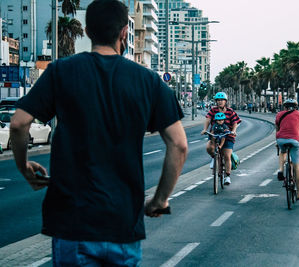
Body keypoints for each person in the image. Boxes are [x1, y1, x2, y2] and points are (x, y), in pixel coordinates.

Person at [9, 0, 188, 266]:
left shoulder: (60, 72)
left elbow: (18, 123)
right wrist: (159, 200)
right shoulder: (148, 81)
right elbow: (179, 145)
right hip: (123, 226)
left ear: (86, 30)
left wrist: (24, 167)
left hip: (72, 223)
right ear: (125, 31)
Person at [201, 92, 241, 185]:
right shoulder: (213, 110)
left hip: (228, 136)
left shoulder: (230, 111)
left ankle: (227, 176)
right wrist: (205, 129)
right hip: (215, 135)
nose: (220, 102)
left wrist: (234, 130)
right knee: (209, 147)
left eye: (222, 100)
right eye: (218, 100)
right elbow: (208, 119)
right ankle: (214, 158)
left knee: (227, 156)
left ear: (225, 101)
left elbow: (235, 122)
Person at [275, 98, 299, 201]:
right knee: (297, 167)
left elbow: (277, 129)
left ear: (285, 107)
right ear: (296, 107)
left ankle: (281, 169)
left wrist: (277, 141)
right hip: (295, 140)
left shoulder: (279, 114)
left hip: (281, 139)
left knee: (283, 152)